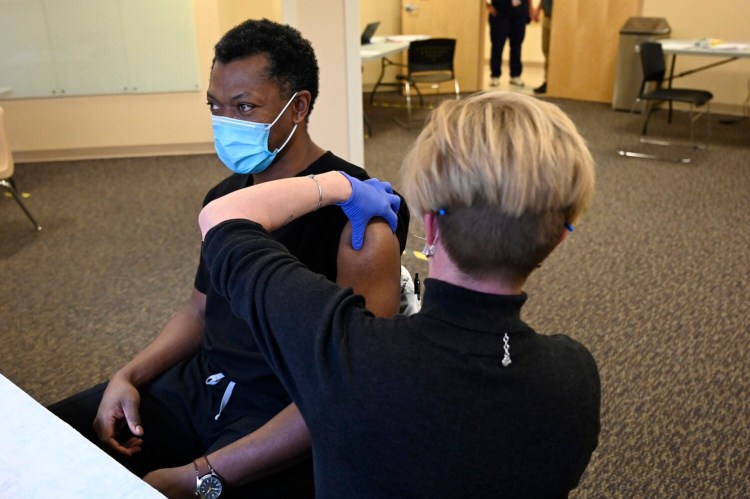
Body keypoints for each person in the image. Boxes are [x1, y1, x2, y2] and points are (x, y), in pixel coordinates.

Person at [48, 18, 410, 498]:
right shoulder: (224, 199)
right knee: (55, 435)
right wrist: (127, 375)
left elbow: (347, 387)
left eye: (244, 107)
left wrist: (202, 475)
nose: (226, 123)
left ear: (298, 106)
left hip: (283, 405)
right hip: (204, 382)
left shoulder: (360, 213)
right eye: (216, 107)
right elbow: (200, 309)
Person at [197, 90, 601, 497]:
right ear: (557, 241)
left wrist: (338, 185)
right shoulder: (576, 377)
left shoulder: (345, 353)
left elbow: (222, 217)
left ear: (432, 226)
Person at [486, 0, 534, 87]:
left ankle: (515, 75)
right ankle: (495, 75)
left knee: (517, 45)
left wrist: (530, 9)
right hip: (500, 12)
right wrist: (487, 5)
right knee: (497, 45)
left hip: (519, 12)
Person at [532, 0, 553, 94]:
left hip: (558, 17)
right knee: (546, 50)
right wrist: (538, 9)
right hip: (547, 16)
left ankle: (552, 81)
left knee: (554, 53)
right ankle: (547, 81)